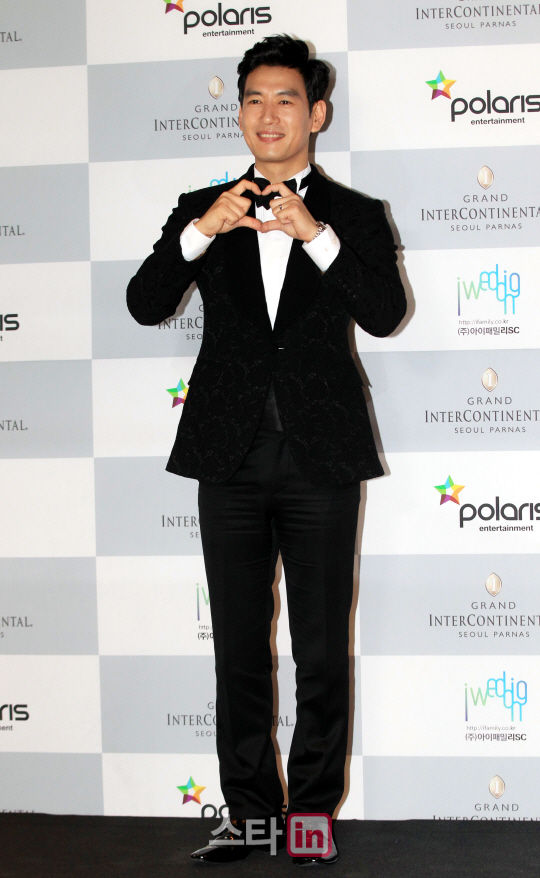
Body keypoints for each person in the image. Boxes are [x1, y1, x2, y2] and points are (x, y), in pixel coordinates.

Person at [127, 35, 406, 865]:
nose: (268, 114)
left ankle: (311, 816)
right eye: (253, 99)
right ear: (241, 113)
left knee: (320, 650)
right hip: (230, 457)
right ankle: (249, 814)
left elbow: (385, 313)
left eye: (286, 99)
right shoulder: (201, 206)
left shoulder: (354, 213)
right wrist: (200, 231)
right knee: (240, 650)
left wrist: (315, 234)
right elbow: (145, 303)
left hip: (322, 458)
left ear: (316, 114)